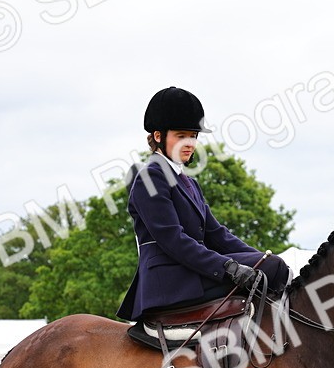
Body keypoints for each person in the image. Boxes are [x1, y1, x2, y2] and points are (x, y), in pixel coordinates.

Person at [117, 87, 289, 323]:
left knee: (272, 266)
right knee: (272, 270)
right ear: (158, 136)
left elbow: (217, 235)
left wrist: (259, 257)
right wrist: (228, 267)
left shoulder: (190, 183)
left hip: (192, 272)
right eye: (181, 136)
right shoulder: (150, 178)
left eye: (193, 136)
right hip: (170, 280)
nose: (190, 143)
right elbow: (173, 240)